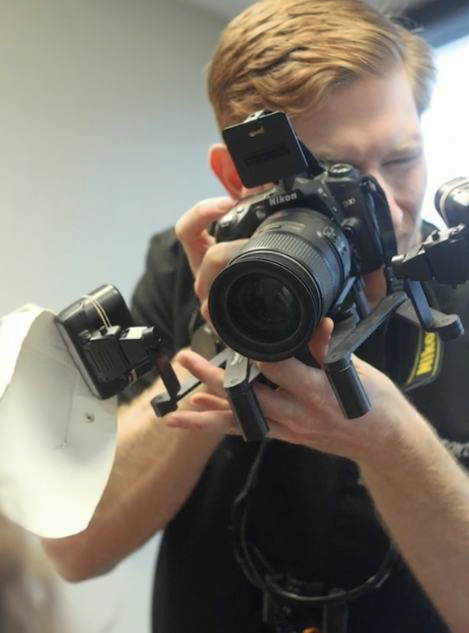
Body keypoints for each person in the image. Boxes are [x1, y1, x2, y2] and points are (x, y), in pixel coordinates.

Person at [42, 1, 469, 632]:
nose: (384, 209)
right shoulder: (190, 270)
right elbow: (74, 549)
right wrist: (228, 336)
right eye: (334, 177)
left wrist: (390, 443)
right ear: (239, 176)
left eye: (401, 161)